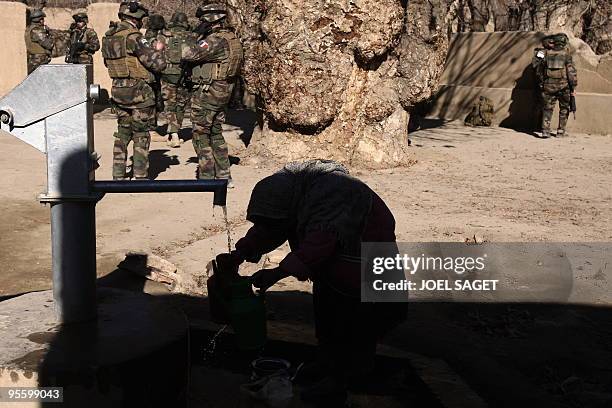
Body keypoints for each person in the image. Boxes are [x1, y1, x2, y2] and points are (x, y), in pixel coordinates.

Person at [215, 160, 408, 401]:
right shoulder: (295, 192)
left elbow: (319, 245)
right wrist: (240, 254)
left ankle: (342, 382)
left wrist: (276, 274)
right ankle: (326, 364)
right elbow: (272, 226)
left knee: (355, 324)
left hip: (365, 265)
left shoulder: (333, 194)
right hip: (335, 268)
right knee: (328, 315)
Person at [101, 1, 167, 180]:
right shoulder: (135, 37)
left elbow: (107, 63)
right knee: (141, 134)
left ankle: (118, 175)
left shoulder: (109, 37)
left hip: (118, 91)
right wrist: (158, 50)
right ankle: (140, 176)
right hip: (139, 93)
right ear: (136, 18)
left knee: (122, 132)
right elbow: (158, 64)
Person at [181, 3, 243, 187]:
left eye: (202, 20)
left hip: (208, 93)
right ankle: (224, 175)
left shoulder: (215, 40)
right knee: (216, 133)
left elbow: (187, 53)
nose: (201, 22)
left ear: (211, 19)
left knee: (200, 134)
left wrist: (194, 34)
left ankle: (207, 178)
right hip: (223, 92)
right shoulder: (232, 38)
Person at [158, 12, 196, 148]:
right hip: (185, 75)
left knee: (169, 104)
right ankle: (176, 131)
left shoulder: (164, 36)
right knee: (180, 104)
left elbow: (157, 51)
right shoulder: (192, 37)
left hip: (167, 74)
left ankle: (173, 134)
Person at [532, 33, 578, 138]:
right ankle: (561, 132)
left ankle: (545, 131)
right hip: (564, 86)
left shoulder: (544, 53)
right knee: (564, 109)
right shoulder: (567, 55)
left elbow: (535, 65)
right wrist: (573, 86)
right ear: (564, 42)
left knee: (547, 108)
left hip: (548, 86)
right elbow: (571, 72)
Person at [24, 9, 54, 74]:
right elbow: (49, 45)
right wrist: (49, 34)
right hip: (39, 61)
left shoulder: (29, 28)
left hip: (33, 60)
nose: (43, 21)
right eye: (43, 19)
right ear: (40, 20)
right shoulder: (36, 30)